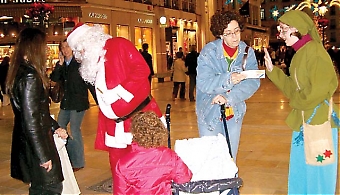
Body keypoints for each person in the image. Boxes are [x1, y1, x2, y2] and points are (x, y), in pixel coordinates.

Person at [66, 23, 163, 186]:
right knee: (119, 169)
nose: (80, 54)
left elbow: (141, 70)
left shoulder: (119, 44)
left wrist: (119, 94)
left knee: (147, 167)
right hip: (114, 125)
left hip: (139, 119)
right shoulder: (92, 63)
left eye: (80, 49)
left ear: (90, 41)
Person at [263, 10, 338, 194]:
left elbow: (318, 91)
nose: (280, 34)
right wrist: (273, 71)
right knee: (301, 169)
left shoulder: (315, 52)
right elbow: (292, 89)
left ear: (298, 29)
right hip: (304, 121)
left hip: (318, 121)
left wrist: (296, 102)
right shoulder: (299, 54)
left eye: (284, 29)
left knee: (318, 171)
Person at [6, 27, 68, 195]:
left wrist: (55, 127)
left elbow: (38, 111)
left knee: (41, 187)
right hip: (37, 142)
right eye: (44, 45)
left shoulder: (23, 71)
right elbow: (31, 119)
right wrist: (42, 156)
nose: (47, 50)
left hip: (31, 141)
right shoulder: (30, 77)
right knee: (50, 187)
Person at [196, 10, 260, 160]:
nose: (234, 36)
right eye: (228, 33)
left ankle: (230, 184)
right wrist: (229, 79)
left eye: (236, 31)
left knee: (230, 158)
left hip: (234, 112)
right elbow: (204, 83)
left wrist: (228, 97)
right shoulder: (208, 52)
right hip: (209, 112)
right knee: (210, 159)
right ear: (220, 34)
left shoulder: (247, 52)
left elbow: (252, 82)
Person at [114, 111, 192, 195]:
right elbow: (184, 177)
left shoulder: (123, 163)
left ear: (134, 133)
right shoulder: (169, 155)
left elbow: (119, 192)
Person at [50, 39, 97, 172]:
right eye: (62, 47)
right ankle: (66, 157)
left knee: (74, 130)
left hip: (78, 102)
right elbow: (54, 79)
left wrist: (100, 101)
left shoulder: (79, 63)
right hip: (66, 102)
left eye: (67, 47)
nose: (65, 50)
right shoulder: (62, 64)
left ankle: (78, 161)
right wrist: (59, 65)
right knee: (59, 128)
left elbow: (89, 83)